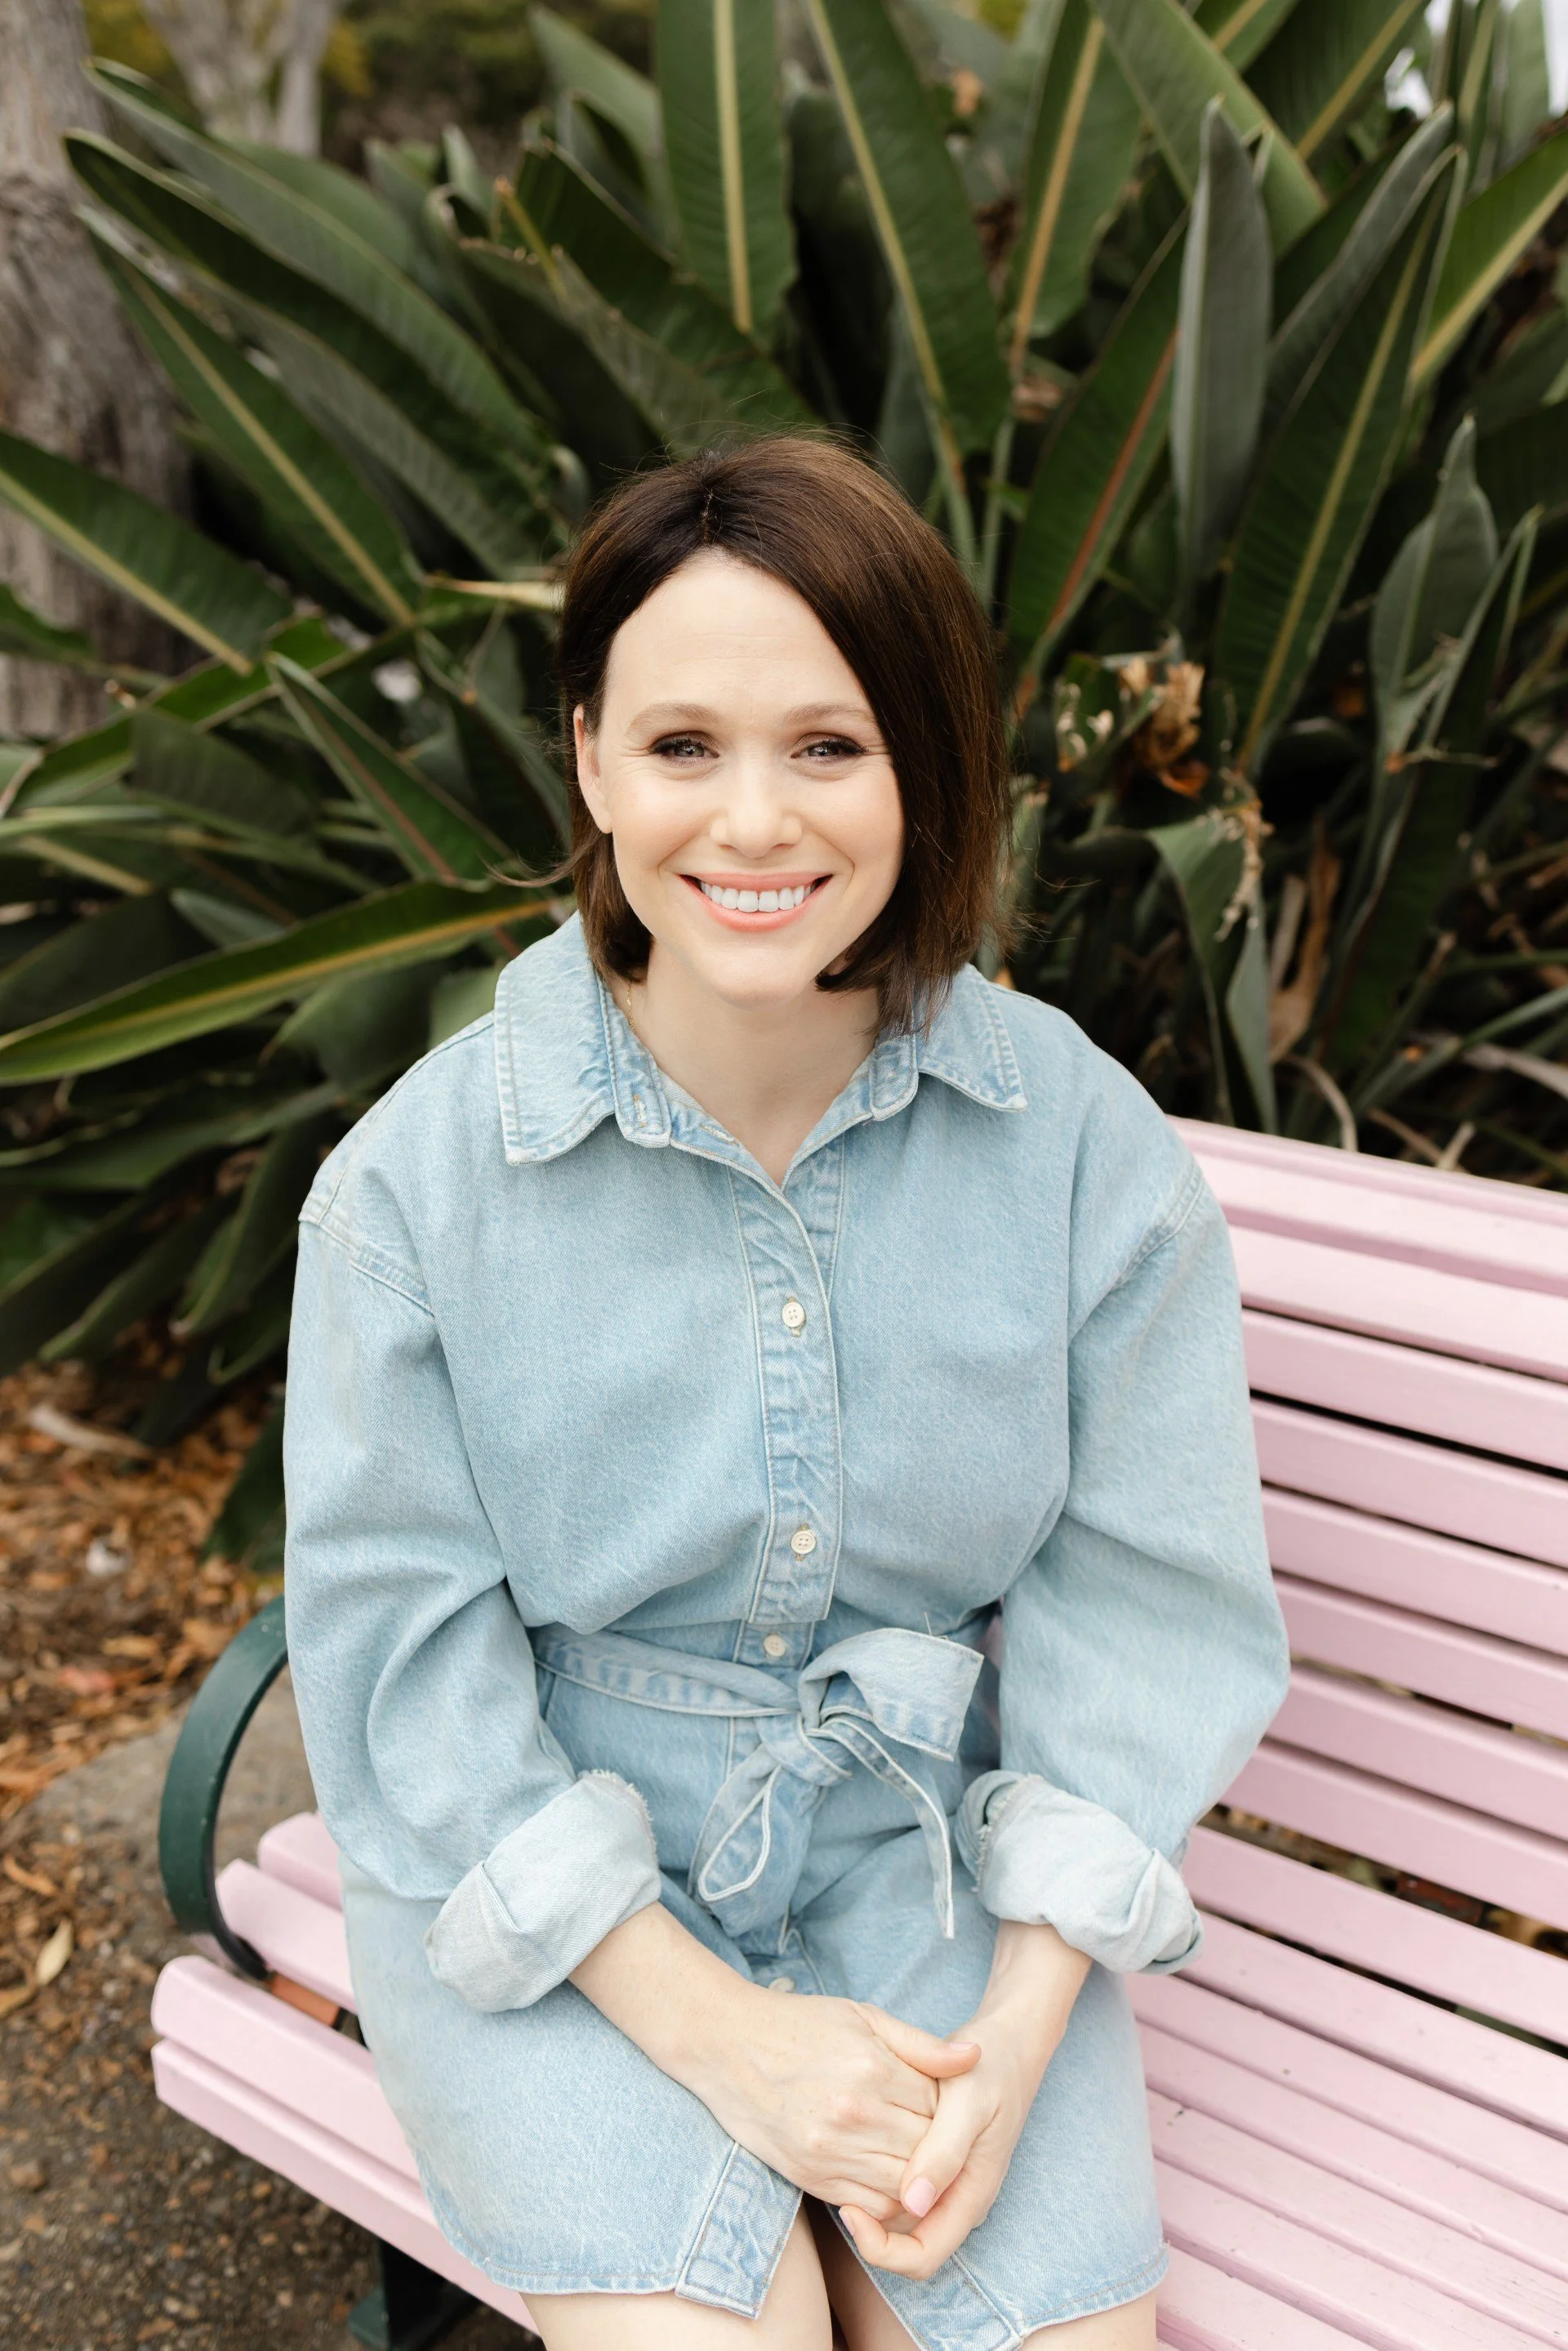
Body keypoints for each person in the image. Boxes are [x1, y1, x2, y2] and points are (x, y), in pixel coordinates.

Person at [283, 436, 1289, 2351]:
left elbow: (1147, 1602)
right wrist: (729, 2043)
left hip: (936, 1866)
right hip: (557, 1893)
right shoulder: (415, 1194)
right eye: (682, 746)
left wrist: (1010, 2028)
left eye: (829, 745)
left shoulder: (1076, 1141)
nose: (754, 822)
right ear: (587, 757)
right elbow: (411, 1676)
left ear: (923, 763)